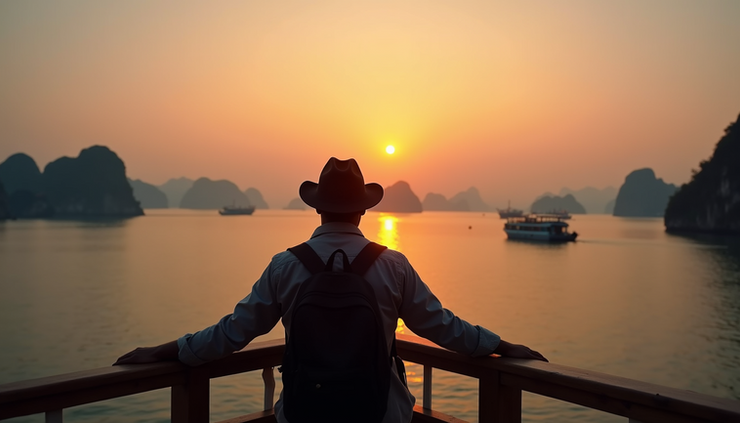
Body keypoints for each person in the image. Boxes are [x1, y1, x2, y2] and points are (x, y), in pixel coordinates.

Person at [114, 157, 547, 423]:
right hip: (380, 413)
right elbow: (443, 326)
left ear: (317, 206)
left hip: (306, 412)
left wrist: (164, 351)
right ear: (363, 207)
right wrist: (501, 346)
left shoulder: (286, 265)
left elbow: (232, 332)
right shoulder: (392, 265)